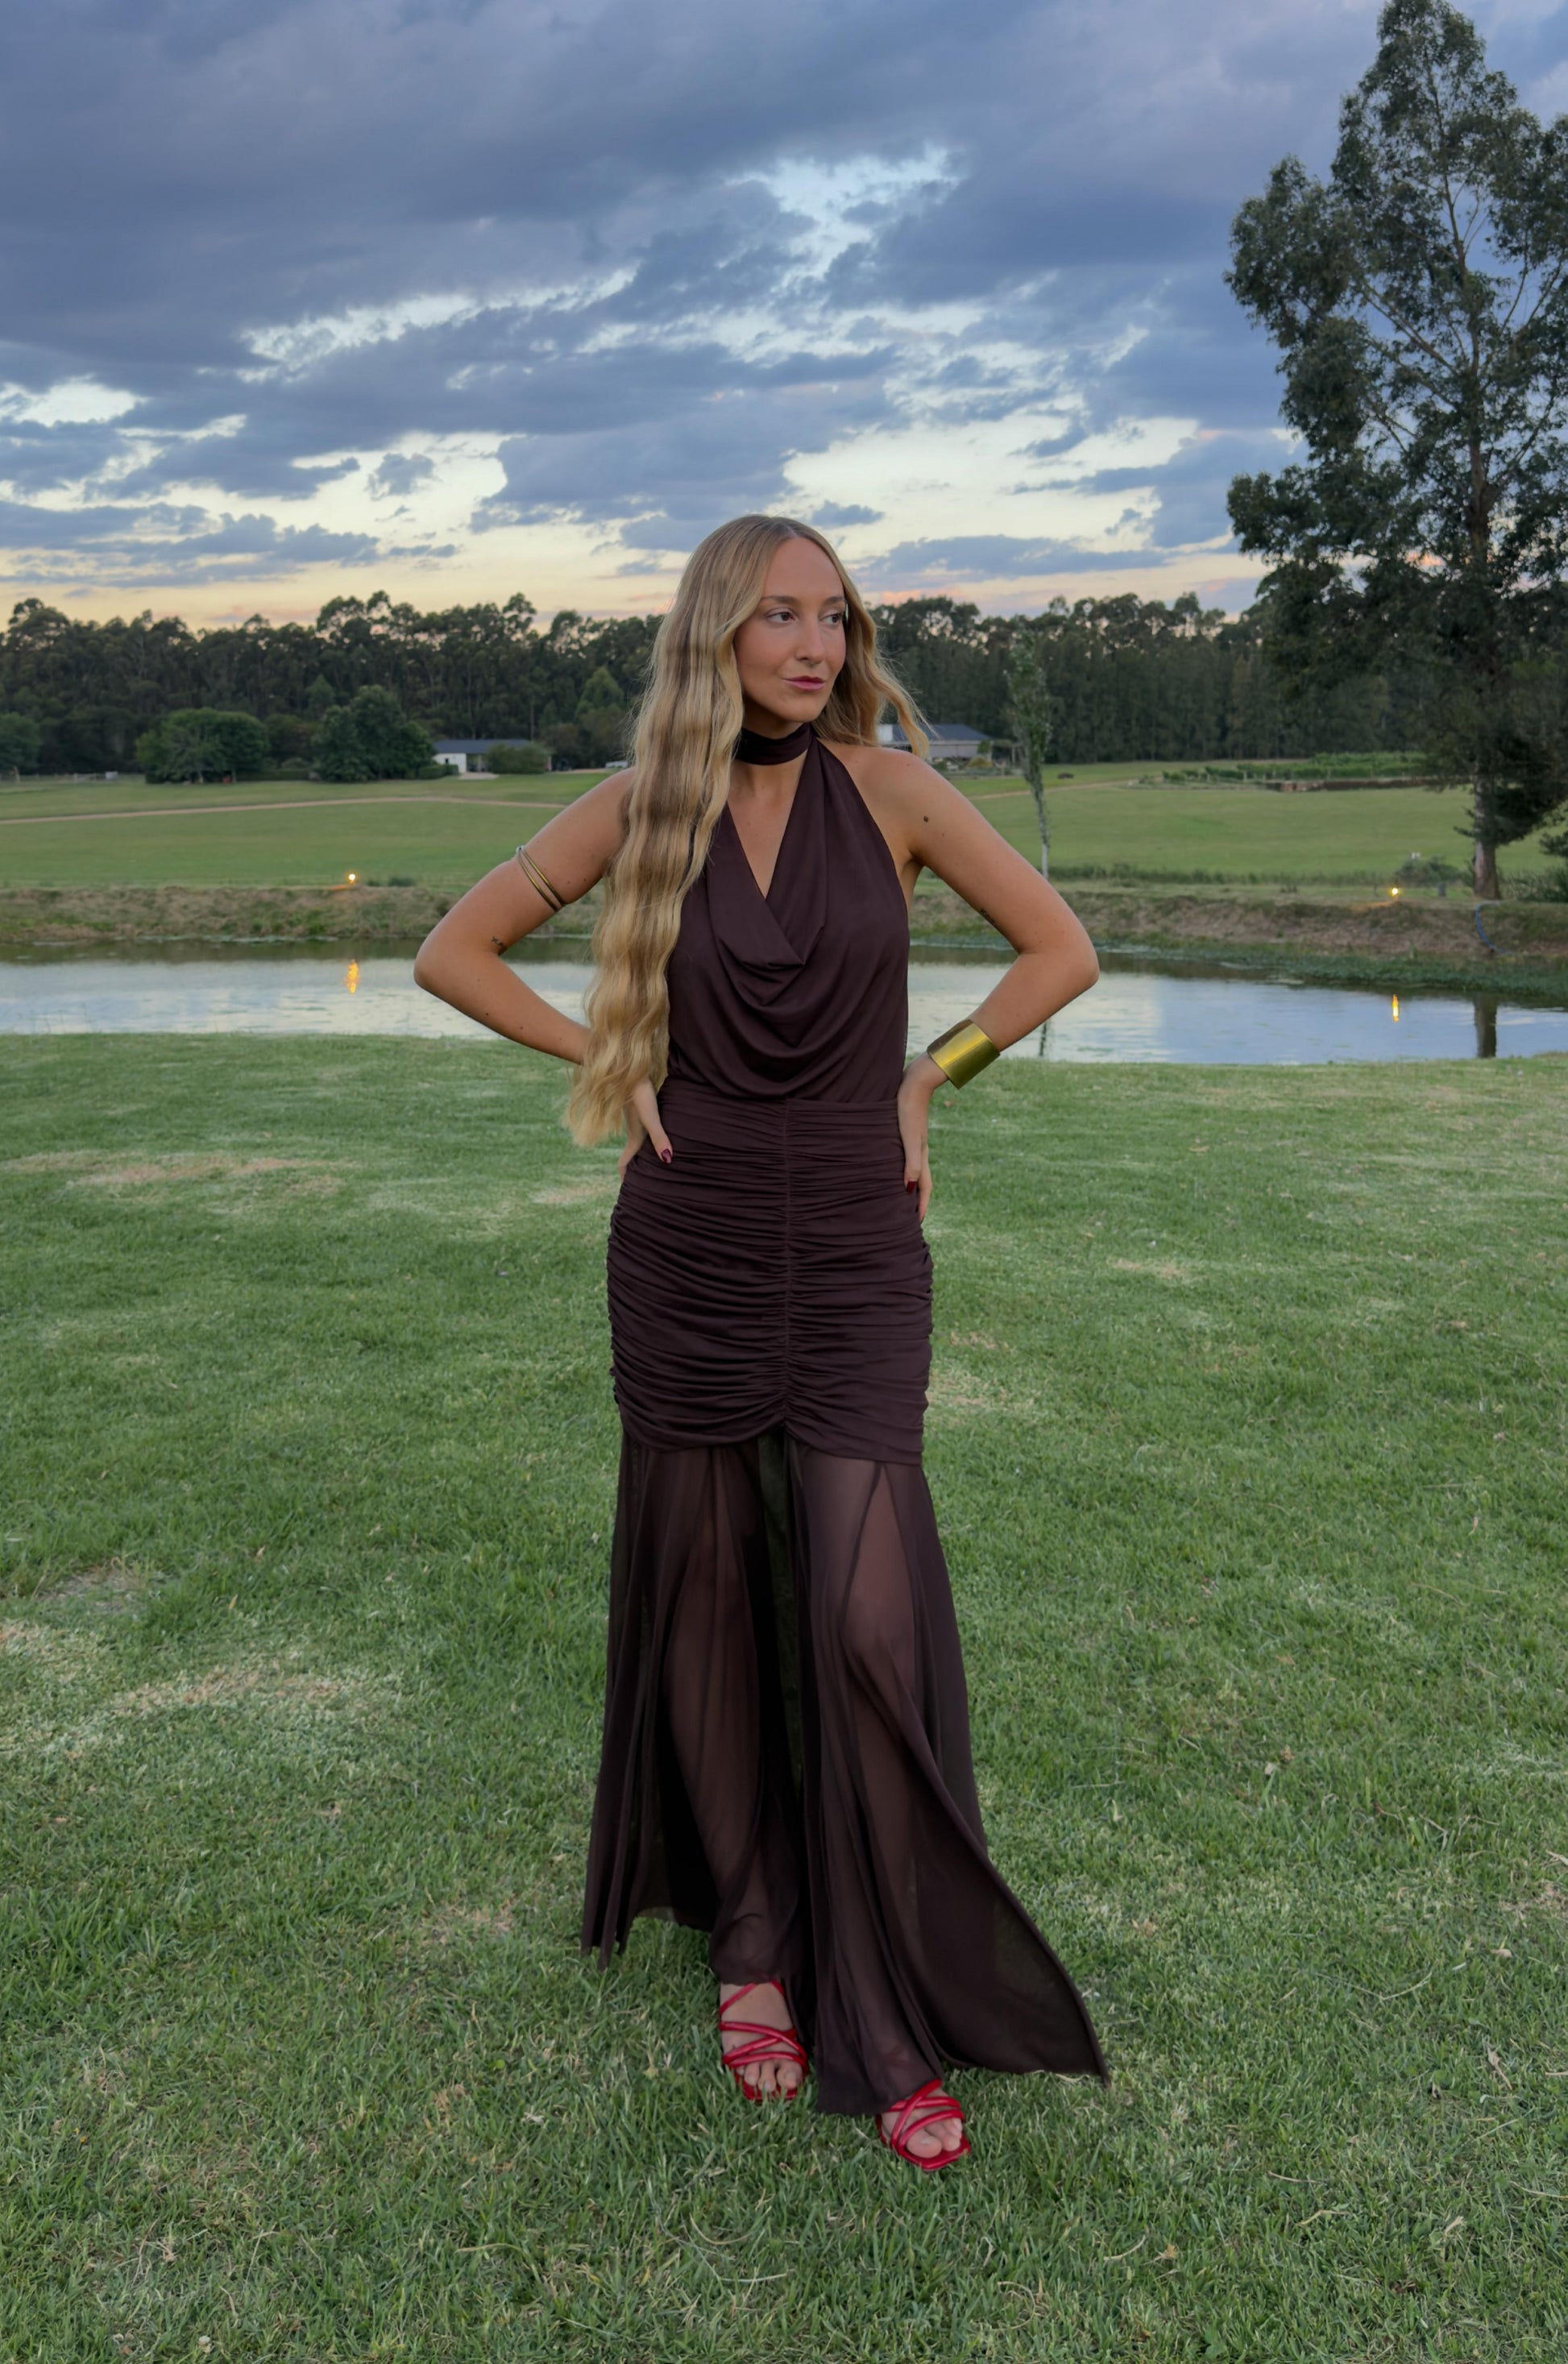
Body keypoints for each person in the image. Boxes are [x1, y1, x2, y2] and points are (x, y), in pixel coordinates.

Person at [413, 513, 1105, 2167]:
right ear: (715, 633)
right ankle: (749, 1945)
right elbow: (451, 952)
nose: (814, 644)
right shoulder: (642, 805)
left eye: (833, 616)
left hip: (857, 1241)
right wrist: (606, 1057)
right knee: (709, 1596)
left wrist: (932, 1073)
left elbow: (1062, 950)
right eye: (780, 615)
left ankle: (881, 1981)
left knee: (866, 1618)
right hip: (693, 1239)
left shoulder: (898, 793)